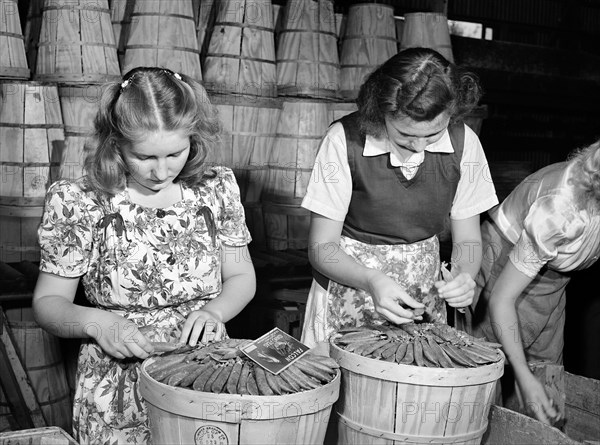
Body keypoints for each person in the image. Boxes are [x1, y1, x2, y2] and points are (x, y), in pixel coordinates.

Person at [32, 67, 256, 444]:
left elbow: (241, 278)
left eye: (175, 153)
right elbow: (48, 303)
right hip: (116, 385)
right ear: (115, 142)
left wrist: (215, 311)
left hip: (202, 374)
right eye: (144, 156)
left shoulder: (215, 189)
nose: (161, 170)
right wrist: (97, 323)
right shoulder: (80, 200)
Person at [300, 48, 499, 354]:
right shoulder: (344, 140)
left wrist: (464, 276)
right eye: (406, 134)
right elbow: (321, 248)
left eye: (433, 134)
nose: (418, 147)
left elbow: (468, 238)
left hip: (423, 299)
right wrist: (371, 280)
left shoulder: (464, 143)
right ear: (382, 111)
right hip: (350, 292)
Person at [461, 138, 600, 425]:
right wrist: (524, 377)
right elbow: (502, 299)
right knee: (488, 376)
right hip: (503, 267)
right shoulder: (561, 210)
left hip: (553, 280)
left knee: (547, 386)